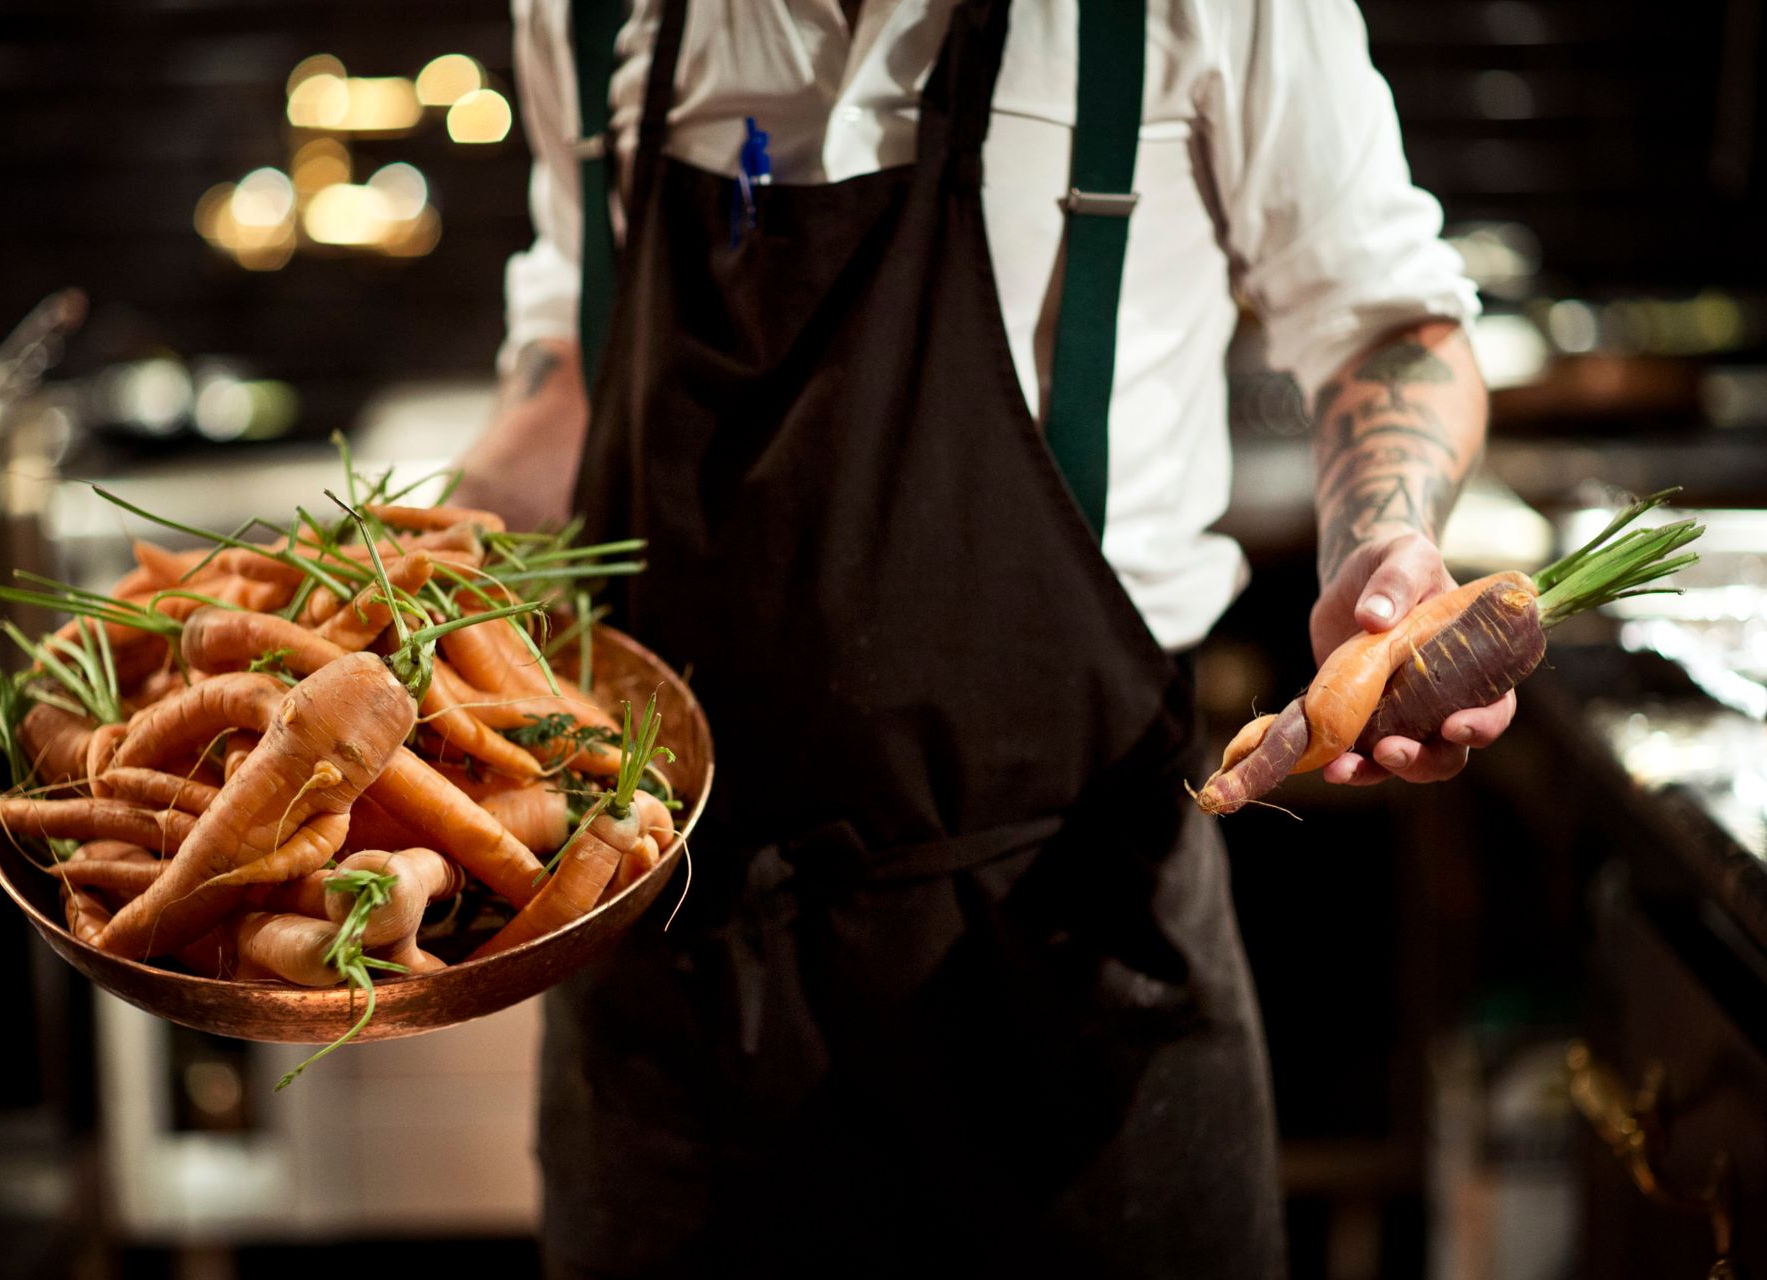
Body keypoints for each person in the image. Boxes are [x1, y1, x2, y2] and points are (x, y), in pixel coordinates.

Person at [453, 0, 1511, 1274]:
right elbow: (578, 353)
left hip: (1071, 967)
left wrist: (1379, 546)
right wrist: (419, 570)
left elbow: (1389, 325)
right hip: (670, 981)